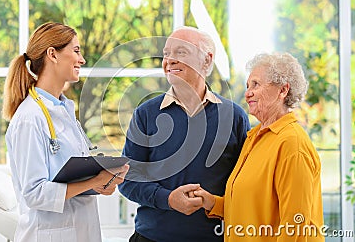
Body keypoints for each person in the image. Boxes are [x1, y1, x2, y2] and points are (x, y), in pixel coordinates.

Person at [118, 26, 250, 242]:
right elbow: (127, 179)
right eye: (166, 53)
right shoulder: (146, 114)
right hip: (151, 238)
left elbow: (246, 185)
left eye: (181, 52)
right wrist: (168, 199)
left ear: (207, 61)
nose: (170, 60)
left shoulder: (234, 117)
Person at [2, 22, 129, 242]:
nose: (82, 60)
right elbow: (34, 193)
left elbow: (69, 174)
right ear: (53, 54)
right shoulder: (29, 118)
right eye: (76, 51)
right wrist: (93, 182)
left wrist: (101, 182)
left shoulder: (63, 109)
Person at [194, 52, 324, 241]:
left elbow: (295, 228)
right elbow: (250, 207)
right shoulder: (255, 138)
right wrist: (211, 202)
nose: (247, 93)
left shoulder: (292, 144)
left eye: (256, 84)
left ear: (283, 90)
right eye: (247, 86)